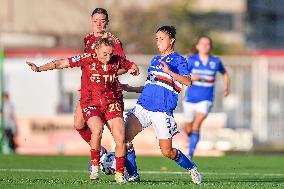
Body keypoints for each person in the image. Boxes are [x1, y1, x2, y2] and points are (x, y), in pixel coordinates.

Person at [26, 38, 139, 183]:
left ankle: (119, 174)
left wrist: (134, 69)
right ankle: (95, 165)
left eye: (110, 54)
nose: (108, 57)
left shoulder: (116, 59)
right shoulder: (86, 59)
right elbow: (61, 63)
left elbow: (131, 65)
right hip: (91, 102)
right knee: (96, 129)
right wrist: (39, 68)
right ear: (96, 50)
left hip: (111, 102)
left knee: (120, 137)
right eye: (104, 54)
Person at [124, 26, 202, 185]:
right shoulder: (154, 60)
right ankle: (133, 174)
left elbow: (188, 82)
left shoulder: (179, 60)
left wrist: (170, 71)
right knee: (124, 138)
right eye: (157, 39)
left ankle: (191, 168)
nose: (158, 42)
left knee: (167, 151)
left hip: (162, 110)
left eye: (162, 39)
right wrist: (129, 88)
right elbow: (150, 85)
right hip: (143, 106)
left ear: (171, 40)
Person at [74, 8, 140, 182]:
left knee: (120, 136)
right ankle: (101, 153)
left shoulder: (114, 42)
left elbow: (122, 65)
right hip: (89, 92)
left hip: (110, 94)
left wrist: (104, 77)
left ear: (107, 22)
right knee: (79, 124)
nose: (99, 24)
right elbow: (88, 64)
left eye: (102, 20)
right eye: (96, 20)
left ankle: (132, 172)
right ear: (91, 21)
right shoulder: (88, 39)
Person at [183, 35, 230, 158]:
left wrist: (226, 88)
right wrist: (192, 77)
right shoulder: (191, 60)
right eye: (202, 44)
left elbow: (225, 74)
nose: (205, 46)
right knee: (189, 126)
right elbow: (181, 75)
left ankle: (190, 154)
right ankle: (189, 137)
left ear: (210, 46)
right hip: (190, 99)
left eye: (207, 44)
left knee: (197, 124)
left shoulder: (215, 61)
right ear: (197, 46)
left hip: (206, 99)